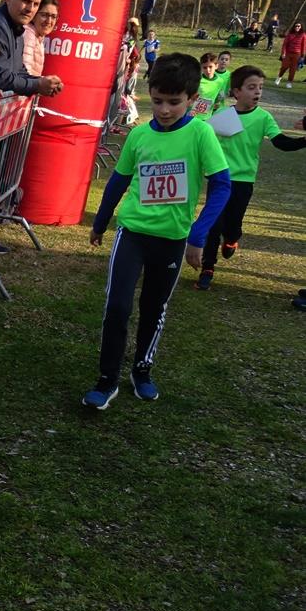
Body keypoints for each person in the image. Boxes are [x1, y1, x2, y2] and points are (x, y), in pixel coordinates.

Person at [83, 53, 230, 409]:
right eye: (158, 100)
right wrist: (101, 221)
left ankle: (142, 370)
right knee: (117, 306)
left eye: (174, 102)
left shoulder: (201, 134)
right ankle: (107, 379)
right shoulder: (138, 135)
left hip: (172, 238)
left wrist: (198, 235)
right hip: (132, 233)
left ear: (192, 99)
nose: (164, 110)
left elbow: (222, 185)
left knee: (153, 307)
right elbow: (118, 181)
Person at [0, 0, 63, 253]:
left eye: (36, 4)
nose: (30, 8)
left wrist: (38, 82)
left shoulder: (15, 27)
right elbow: (0, 77)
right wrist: (37, 85)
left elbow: (17, 71)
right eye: (26, 1)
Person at [196, 65, 306, 290]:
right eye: (252, 87)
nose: (257, 92)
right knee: (214, 223)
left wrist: (303, 140)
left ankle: (232, 239)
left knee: (232, 224)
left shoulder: (263, 117)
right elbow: (204, 142)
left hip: (244, 182)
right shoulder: (221, 115)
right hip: (220, 179)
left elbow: (281, 143)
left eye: (260, 88)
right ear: (236, 91)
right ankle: (208, 267)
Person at [22, 0, 59, 76]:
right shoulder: (28, 35)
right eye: (44, 15)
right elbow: (25, 74)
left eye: (53, 16)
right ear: (34, 15)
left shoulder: (38, 37)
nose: (49, 21)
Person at [191, 52, 227, 120]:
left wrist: (218, 102)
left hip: (208, 116)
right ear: (201, 68)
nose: (208, 70)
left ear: (216, 66)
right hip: (193, 115)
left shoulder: (220, 81)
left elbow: (220, 96)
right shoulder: (197, 80)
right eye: (205, 67)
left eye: (210, 67)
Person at [275, 21, 305, 87]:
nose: (297, 27)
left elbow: (303, 45)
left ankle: (289, 82)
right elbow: (285, 44)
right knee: (284, 67)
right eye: (296, 26)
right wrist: (283, 53)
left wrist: (302, 56)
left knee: (293, 69)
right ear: (294, 27)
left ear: (301, 27)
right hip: (288, 53)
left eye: (298, 26)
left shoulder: (303, 35)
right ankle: (279, 77)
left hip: (297, 54)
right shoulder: (290, 34)